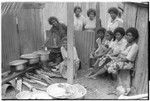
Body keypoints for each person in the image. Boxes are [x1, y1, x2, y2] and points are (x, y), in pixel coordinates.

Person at [106, 27, 139, 95]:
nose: (128, 37)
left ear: (134, 37)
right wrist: (115, 58)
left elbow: (128, 58)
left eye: (130, 35)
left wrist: (116, 60)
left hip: (128, 63)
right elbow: (120, 53)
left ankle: (124, 90)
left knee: (112, 67)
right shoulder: (126, 43)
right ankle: (119, 87)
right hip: (122, 61)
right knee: (108, 64)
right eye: (127, 35)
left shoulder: (135, 46)